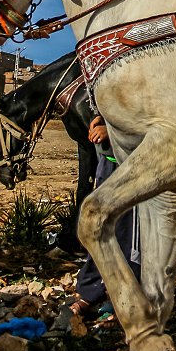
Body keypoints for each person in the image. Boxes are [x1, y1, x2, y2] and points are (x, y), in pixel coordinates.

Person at [70, 115, 140, 317]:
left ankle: (128, 296)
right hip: (108, 161)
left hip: (133, 166)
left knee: (130, 236)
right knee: (99, 228)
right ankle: (91, 292)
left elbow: (153, 116)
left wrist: (112, 132)